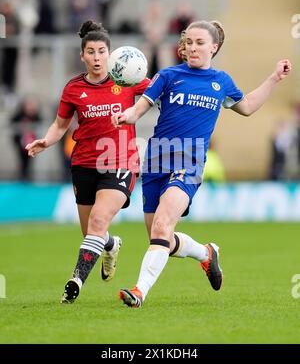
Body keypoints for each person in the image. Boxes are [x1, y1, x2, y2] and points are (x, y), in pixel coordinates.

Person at [112, 20, 292, 308]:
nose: (193, 48)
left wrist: (273, 78)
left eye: (199, 43)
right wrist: (128, 115)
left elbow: (246, 106)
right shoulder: (168, 75)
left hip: (190, 160)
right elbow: (141, 106)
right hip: (157, 158)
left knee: (162, 226)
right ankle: (206, 253)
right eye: (189, 43)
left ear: (214, 47)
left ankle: (139, 292)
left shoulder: (221, 81)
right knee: (162, 238)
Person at [26, 20, 150, 303]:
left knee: (98, 219)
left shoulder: (128, 79)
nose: (97, 57)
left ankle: (75, 281)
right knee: (91, 232)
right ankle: (110, 244)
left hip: (120, 161)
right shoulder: (73, 89)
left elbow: (157, 91)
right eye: (91, 52)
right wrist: (46, 140)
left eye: (102, 51)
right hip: (83, 163)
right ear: (82, 55)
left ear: (111, 53)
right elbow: (60, 125)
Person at [10, 95, 42, 180]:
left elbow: (40, 122)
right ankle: (22, 176)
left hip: (32, 142)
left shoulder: (35, 115)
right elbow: (12, 123)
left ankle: (28, 176)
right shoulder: (19, 115)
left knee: (30, 160)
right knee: (22, 160)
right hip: (21, 143)